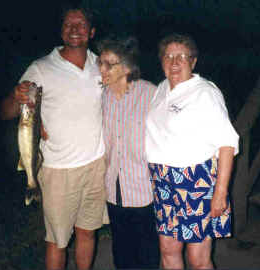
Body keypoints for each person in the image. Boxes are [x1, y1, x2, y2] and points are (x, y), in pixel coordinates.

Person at [0, 4, 106, 270]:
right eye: (68, 24)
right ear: (61, 31)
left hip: (97, 165)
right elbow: (6, 113)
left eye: (80, 24)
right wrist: (17, 95)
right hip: (58, 170)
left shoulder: (102, 64)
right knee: (57, 242)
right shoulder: (41, 68)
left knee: (87, 233)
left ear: (91, 31)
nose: (74, 30)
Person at [145, 33, 239, 269]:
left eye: (182, 57)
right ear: (161, 61)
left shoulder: (205, 92)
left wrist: (220, 192)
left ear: (193, 62)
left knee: (197, 259)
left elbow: (227, 143)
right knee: (168, 250)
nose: (174, 62)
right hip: (163, 181)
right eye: (168, 56)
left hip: (195, 182)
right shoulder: (161, 89)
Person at [97, 36, 160, 269]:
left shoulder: (151, 94)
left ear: (126, 68)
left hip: (144, 188)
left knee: (147, 252)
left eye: (109, 64)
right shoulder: (101, 97)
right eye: (100, 63)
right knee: (121, 251)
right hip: (113, 186)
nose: (102, 69)